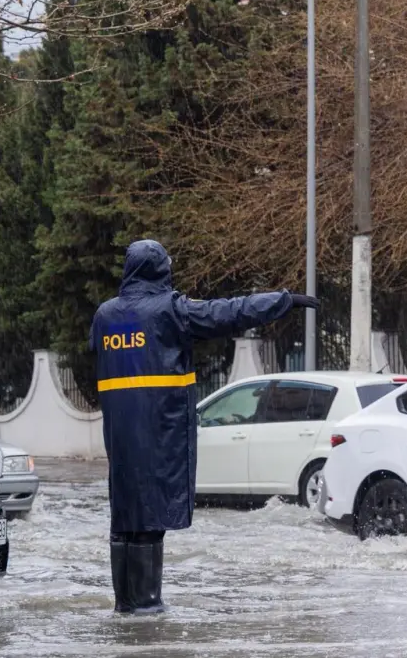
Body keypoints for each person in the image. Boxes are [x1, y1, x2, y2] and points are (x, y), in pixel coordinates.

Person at [89, 240, 319, 615]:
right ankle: (147, 608)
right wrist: (282, 301)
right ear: (159, 270)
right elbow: (228, 312)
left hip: (119, 436)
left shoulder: (105, 316)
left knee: (125, 518)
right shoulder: (170, 310)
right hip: (160, 429)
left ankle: (125, 606)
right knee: (151, 518)